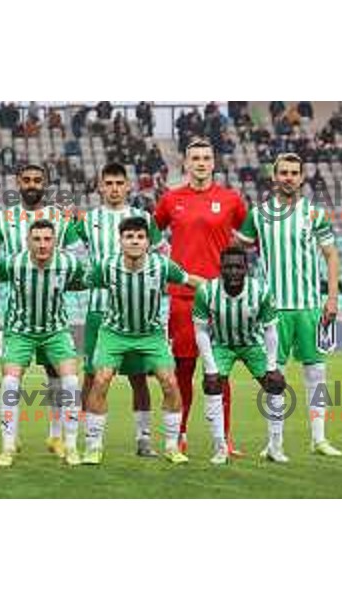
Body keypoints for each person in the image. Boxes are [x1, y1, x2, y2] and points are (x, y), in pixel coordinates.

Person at [236, 152, 342, 456]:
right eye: (283, 172)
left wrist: (332, 297)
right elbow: (237, 251)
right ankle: (274, 443)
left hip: (310, 307)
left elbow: (331, 255)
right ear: (274, 176)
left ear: (301, 177)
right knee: (274, 376)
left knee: (317, 373)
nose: (289, 178)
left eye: (294, 173)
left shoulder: (314, 214)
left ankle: (319, 439)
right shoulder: (258, 215)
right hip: (274, 311)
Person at [83, 217, 203, 465]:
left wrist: (218, 289)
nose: (134, 241)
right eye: (129, 237)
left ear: (148, 242)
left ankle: (171, 447)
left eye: (139, 237)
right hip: (114, 333)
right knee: (101, 379)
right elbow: (81, 281)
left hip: (151, 334)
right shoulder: (106, 266)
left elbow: (190, 280)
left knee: (170, 382)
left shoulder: (162, 266)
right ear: (121, 241)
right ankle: (93, 447)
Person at [0, 164, 82, 458]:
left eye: (38, 180)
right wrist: (13, 272)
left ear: (46, 184)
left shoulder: (59, 219)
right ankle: (10, 442)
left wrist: (58, 276)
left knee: (57, 376)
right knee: (13, 380)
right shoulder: (4, 218)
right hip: (19, 317)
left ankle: (56, 437)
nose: (32, 184)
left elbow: (78, 257)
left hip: (53, 315)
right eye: (27, 180)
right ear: (18, 183)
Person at [154, 138, 247, 455]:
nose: (201, 163)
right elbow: (151, 234)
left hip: (222, 298)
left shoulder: (231, 199)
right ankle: (178, 433)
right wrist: (165, 261)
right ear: (185, 163)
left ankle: (225, 437)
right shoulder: (171, 199)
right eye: (195, 158)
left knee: (219, 371)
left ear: (214, 162)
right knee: (183, 369)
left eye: (207, 157)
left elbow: (248, 236)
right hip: (183, 297)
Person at [76, 163, 162, 457]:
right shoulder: (88, 221)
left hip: (136, 312)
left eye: (119, 183)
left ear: (128, 187)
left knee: (139, 377)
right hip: (99, 310)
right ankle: (87, 439)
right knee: (91, 376)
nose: (113, 188)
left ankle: (143, 439)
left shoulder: (144, 219)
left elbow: (160, 258)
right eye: (108, 183)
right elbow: (70, 249)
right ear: (100, 186)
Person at [0, 220, 85, 468]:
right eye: (37, 239)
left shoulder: (69, 263)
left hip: (55, 330)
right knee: (10, 382)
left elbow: (82, 280)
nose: (42, 245)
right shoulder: (13, 263)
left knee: (71, 381)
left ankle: (71, 445)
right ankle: (8, 446)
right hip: (20, 331)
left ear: (55, 241)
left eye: (47, 239)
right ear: (28, 242)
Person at [193, 247, 288, 464]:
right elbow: (200, 331)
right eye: (228, 267)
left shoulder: (261, 291)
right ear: (221, 269)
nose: (233, 272)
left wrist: (272, 367)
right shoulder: (206, 292)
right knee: (212, 385)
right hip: (222, 344)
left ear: (246, 268)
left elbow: (271, 330)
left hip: (252, 344)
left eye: (238, 267)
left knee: (276, 384)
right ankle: (220, 447)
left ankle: (275, 446)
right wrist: (210, 368)